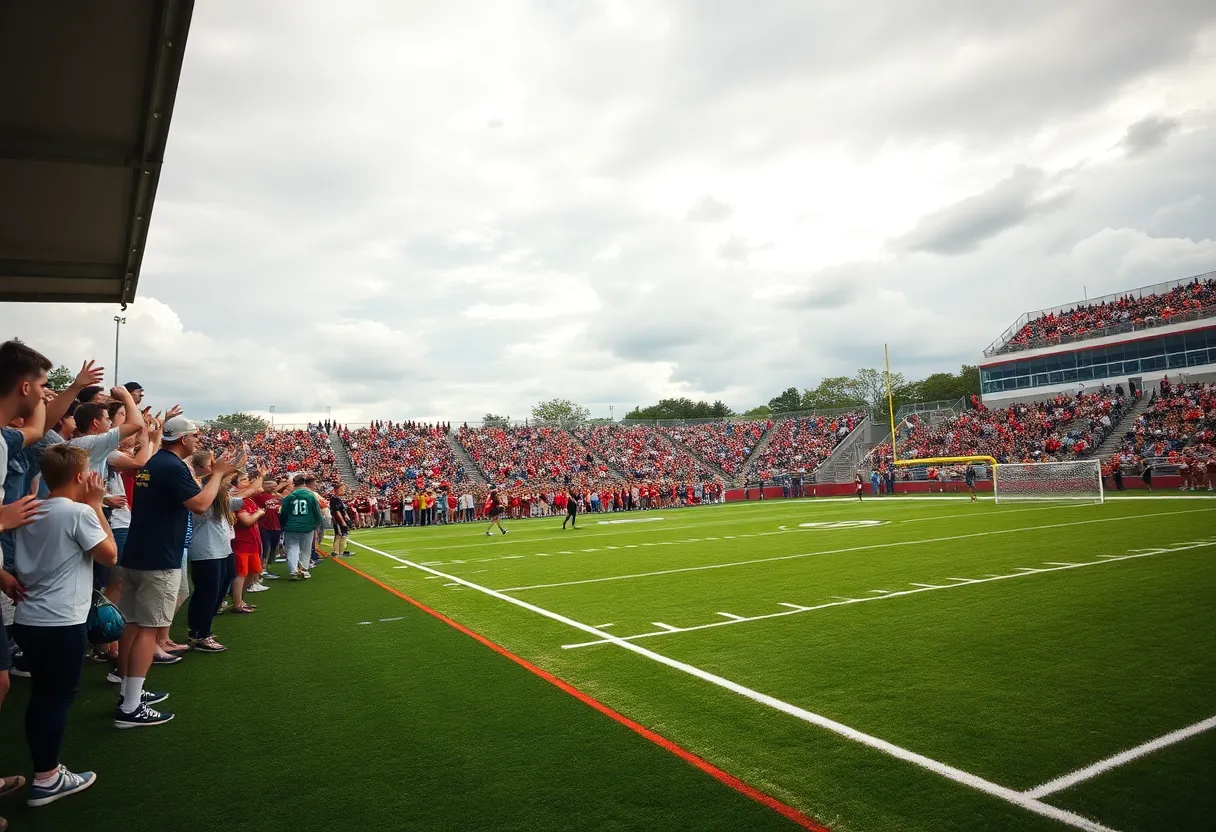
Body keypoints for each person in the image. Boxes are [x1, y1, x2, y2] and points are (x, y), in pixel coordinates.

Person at [115, 416, 240, 728]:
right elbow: (199, 504)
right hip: (160, 557)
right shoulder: (171, 466)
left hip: (138, 552)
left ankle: (128, 692)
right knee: (147, 628)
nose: (197, 441)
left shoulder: (154, 463)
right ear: (183, 438)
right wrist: (218, 475)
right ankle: (130, 708)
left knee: (132, 625)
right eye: (195, 436)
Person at [12, 445, 119, 807]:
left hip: (28, 617)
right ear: (79, 476)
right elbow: (110, 555)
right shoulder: (79, 513)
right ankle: (47, 777)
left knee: (43, 695)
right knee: (55, 698)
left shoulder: (29, 509)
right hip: (61, 620)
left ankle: (45, 770)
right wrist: (95, 504)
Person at [0, 340, 55, 825]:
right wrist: (1, 518)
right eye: (39, 384)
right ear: (23, 384)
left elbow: (36, 429)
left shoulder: (6, 439)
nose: (43, 391)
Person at [280, 474, 322, 580]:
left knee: (292, 548)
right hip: (307, 526)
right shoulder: (310, 496)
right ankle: (304, 569)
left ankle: (293, 570)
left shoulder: (289, 497)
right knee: (306, 549)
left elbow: (283, 512)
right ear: (304, 483)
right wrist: (315, 524)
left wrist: (283, 524)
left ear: (294, 483)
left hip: (292, 526)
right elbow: (317, 513)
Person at [329, 482, 351, 557]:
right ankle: (338, 551)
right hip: (338, 520)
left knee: (341, 534)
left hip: (339, 519)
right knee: (340, 534)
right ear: (337, 489)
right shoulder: (335, 499)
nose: (344, 490)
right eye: (342, 489)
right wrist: (342, 520)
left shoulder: (337, 499)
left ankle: (339, 551)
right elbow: (336, 511)